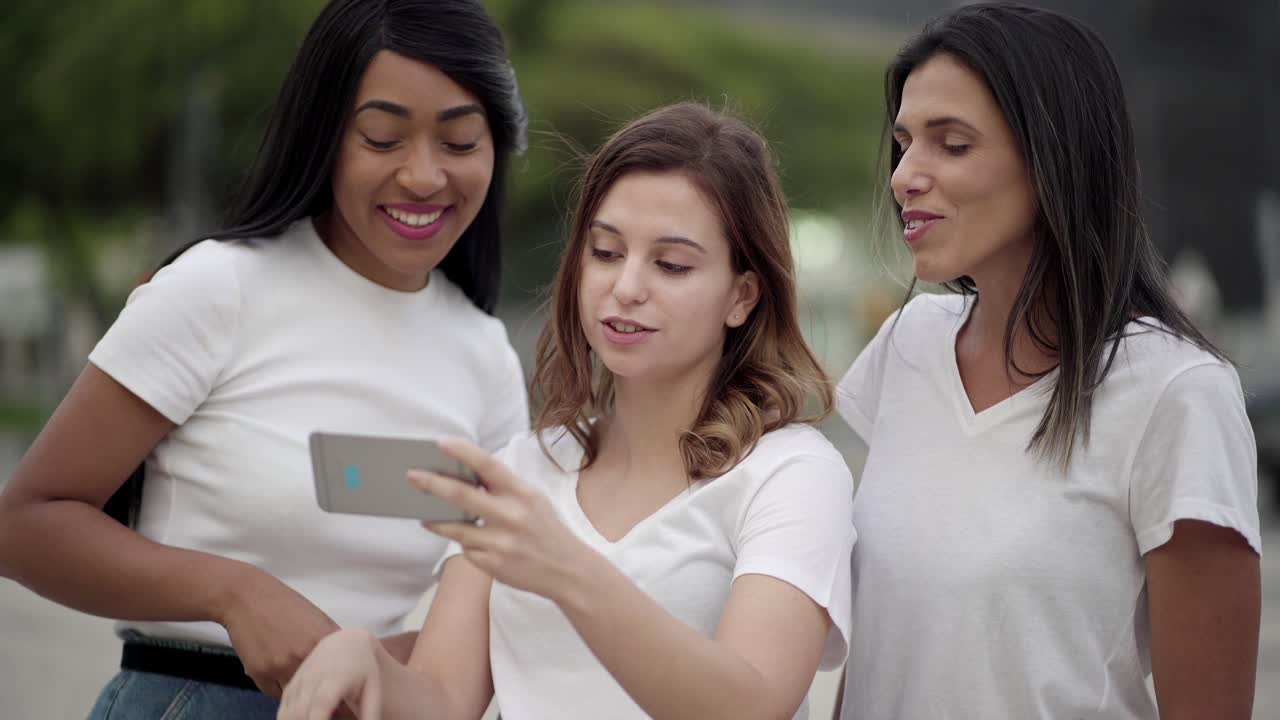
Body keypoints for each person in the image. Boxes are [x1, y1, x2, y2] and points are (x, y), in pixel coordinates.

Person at [0, 1, 528, 717]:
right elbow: (26, 524)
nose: (425, 175)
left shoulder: (486, 357)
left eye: (460, 142)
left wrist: (373, 663)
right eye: (382, 138)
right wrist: (233, 593)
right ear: (323, 136)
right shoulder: (219, 287)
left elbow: (490, 611)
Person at [276, 102, 856, 720]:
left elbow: (753, 705)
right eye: (605, 252)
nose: (625, 287)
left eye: (671, 264)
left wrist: (566, 569)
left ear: (742, 295)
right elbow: (442, 701)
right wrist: (361, 657)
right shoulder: (522, 469)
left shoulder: (791, 474)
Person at [834, 3, 1261, 719]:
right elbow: (885, 643)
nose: (905, 175)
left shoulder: (1176, 392)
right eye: (904, 144)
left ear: (1056, 158)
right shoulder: (906, 344)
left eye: (952, 144)